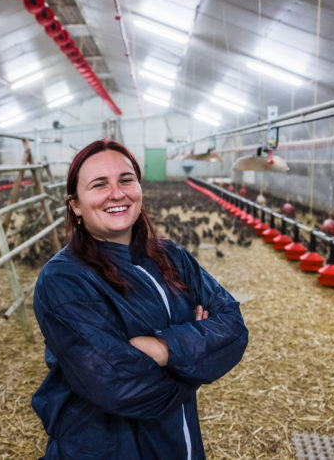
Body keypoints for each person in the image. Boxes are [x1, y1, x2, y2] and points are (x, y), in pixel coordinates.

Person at [31, 139, 248, 459]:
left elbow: (233, 328)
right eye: (99, 184)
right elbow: (120, 385)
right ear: (75, 204)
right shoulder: (64, 279)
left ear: (139, 189)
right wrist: (196, 363)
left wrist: (164, 350)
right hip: (105, 448)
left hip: (179, 442)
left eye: (126, 180)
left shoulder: (171, 255)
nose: (117, 193)